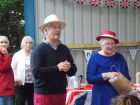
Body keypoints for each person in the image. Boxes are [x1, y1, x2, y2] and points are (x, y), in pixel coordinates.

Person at [30, 14, 77, 105]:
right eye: (54, 27)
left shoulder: (64, 49)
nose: (58, 30)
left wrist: (68, 68)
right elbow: (36, 72)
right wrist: (57, 68)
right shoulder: (38, 50)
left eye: (59, 27)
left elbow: (73, 71)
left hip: (61, 93)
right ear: (45, 31)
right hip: (43, 94)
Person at [86, 30, 131, 105]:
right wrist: (106, 75)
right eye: (107, 43)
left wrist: (120, 80)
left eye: (112, 43)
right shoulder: (94, 57)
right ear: (101, 45)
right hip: (100, 96)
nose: (110, 46)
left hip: (117, 96)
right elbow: (90, 79)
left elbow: (127, 77)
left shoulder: (119, 57)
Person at [11, 36, 34, 105]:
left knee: (32, 101)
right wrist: (15, 79)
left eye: (30, 43)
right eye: (26, 42)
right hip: (20, 82)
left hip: (33, 82)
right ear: (23, 44)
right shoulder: (17, 54)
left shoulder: (34, 54)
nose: (28, 44)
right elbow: (12, 68)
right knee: (21, 101)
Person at [0, 36, 15, 105]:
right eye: (1, 42)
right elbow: (3, 68)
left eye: (6, 42)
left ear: (8, 45)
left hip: (8, 88)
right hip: (3, 89)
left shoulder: (5, 55)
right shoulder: (5, 55)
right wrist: (6, 55)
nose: (4, 44)